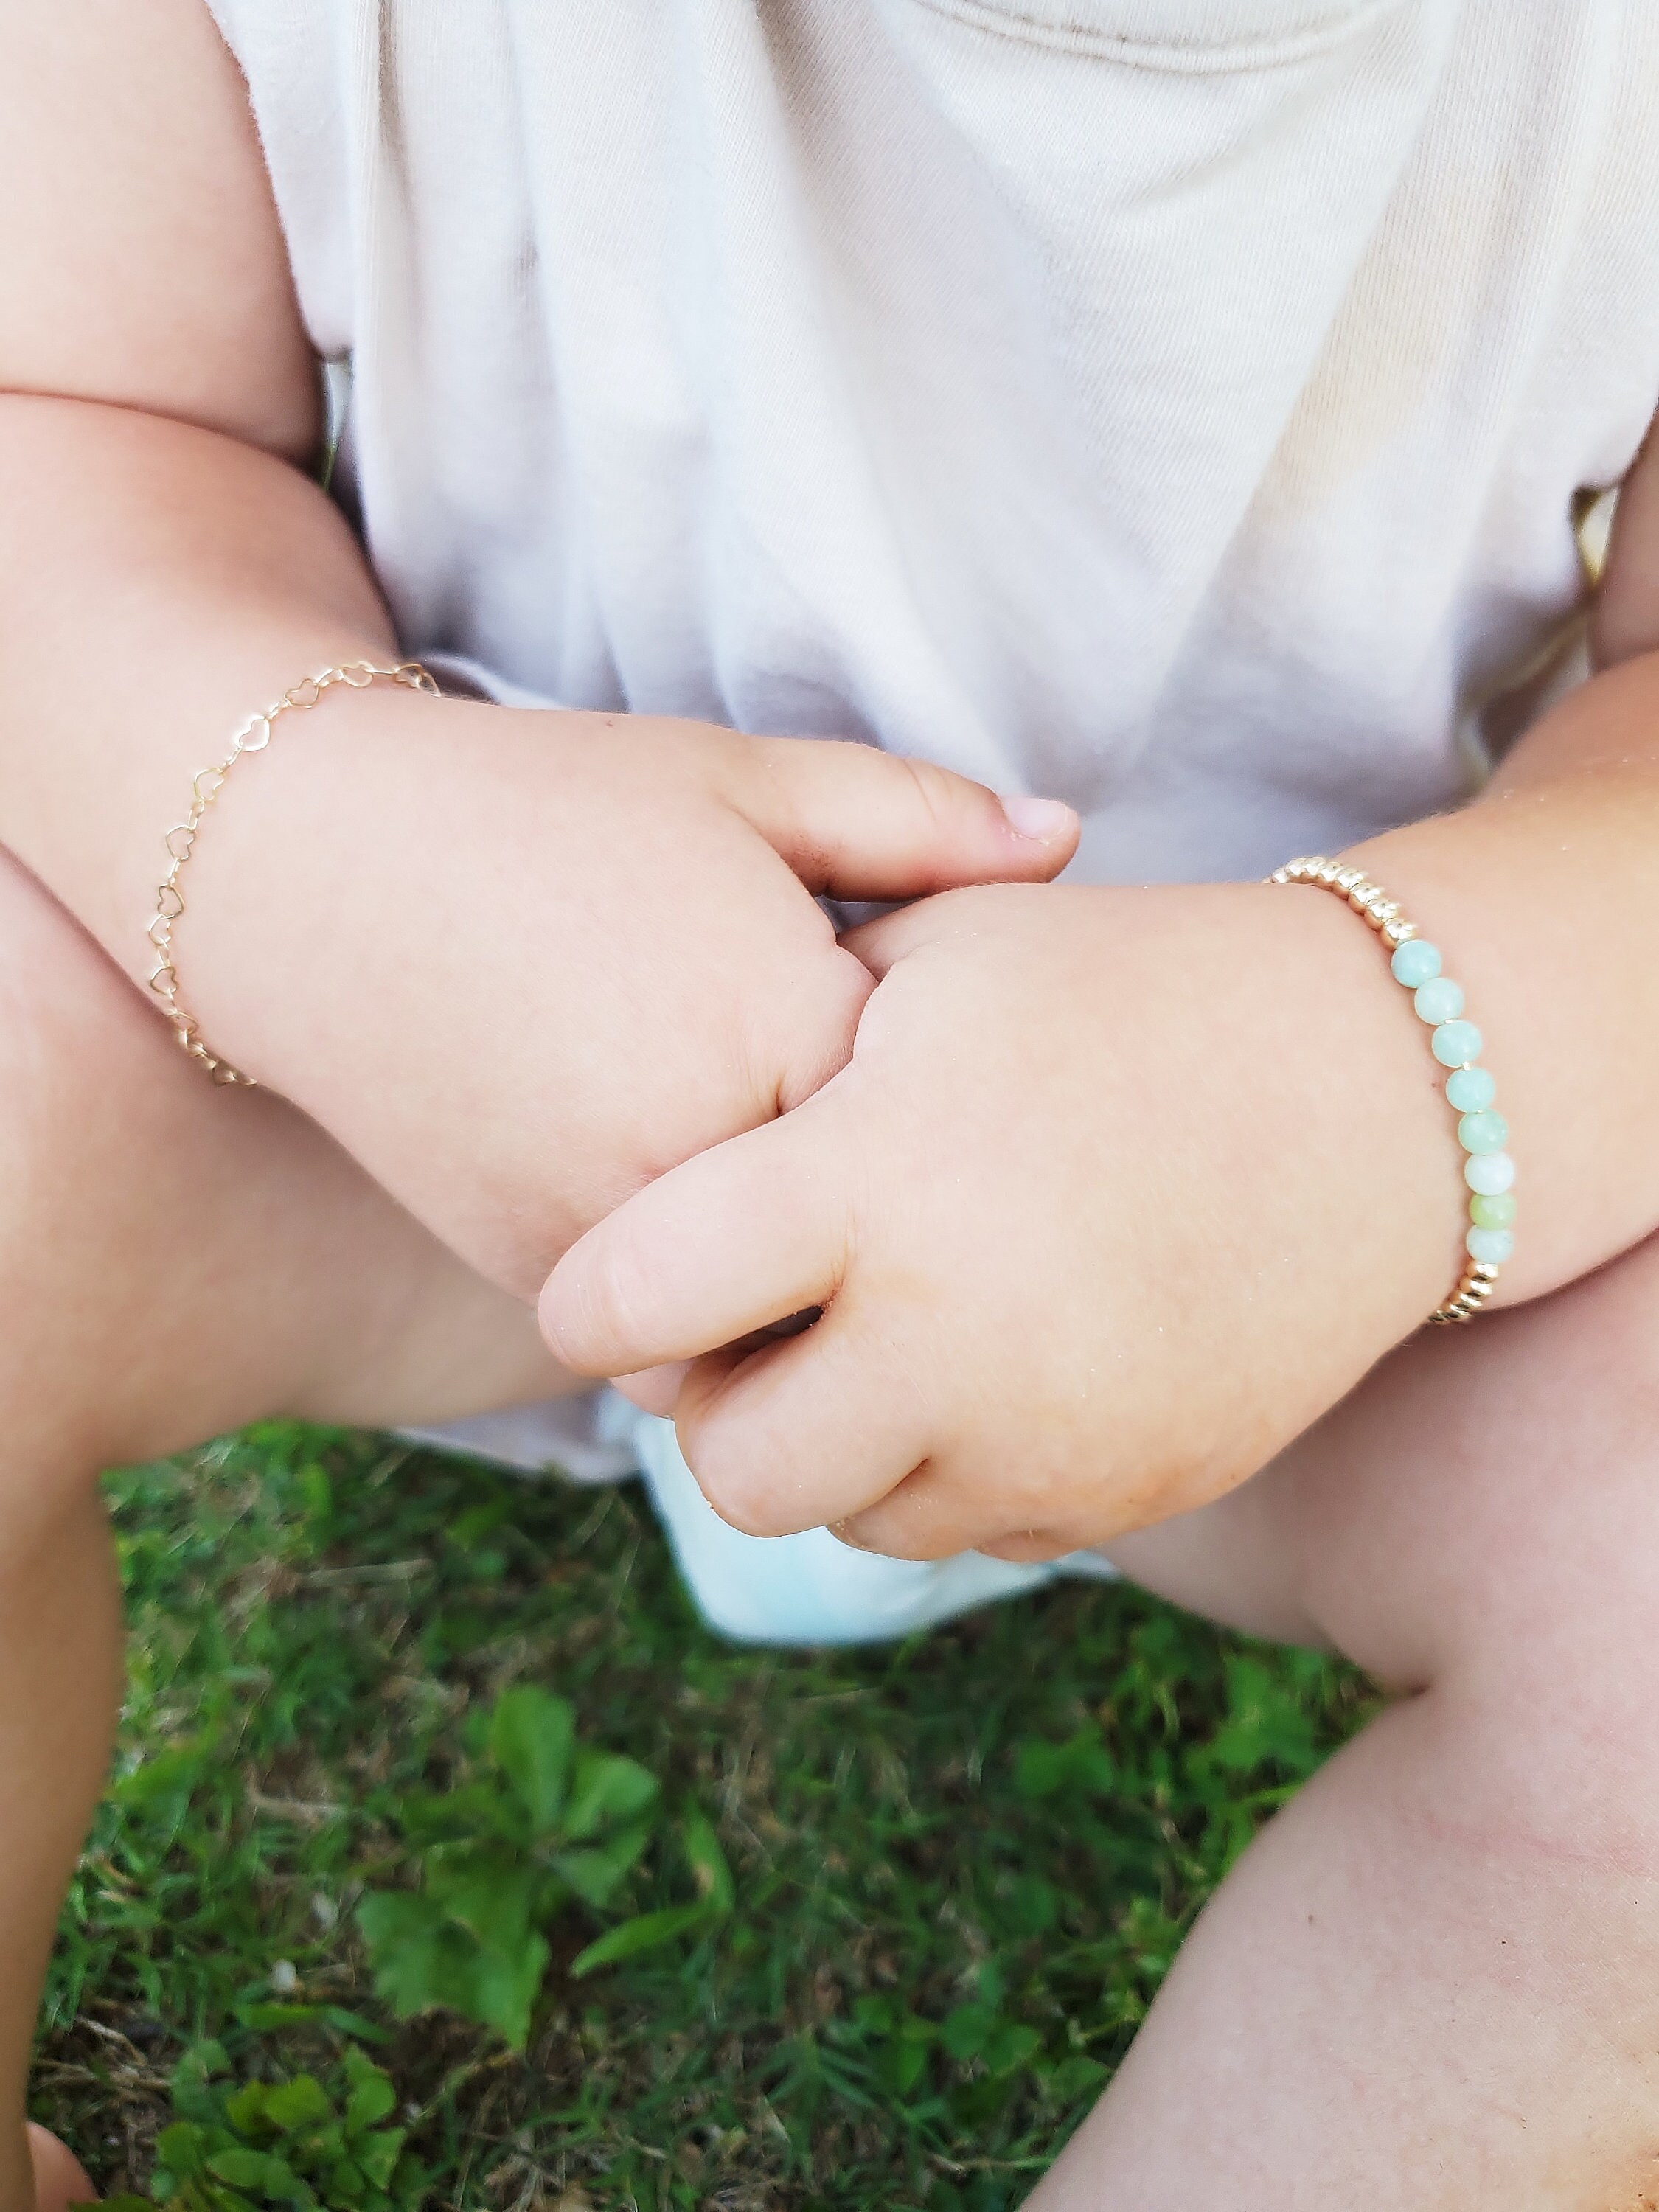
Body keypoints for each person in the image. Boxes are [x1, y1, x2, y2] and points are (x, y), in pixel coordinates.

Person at [5, 0, 1659, 2204]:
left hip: (1341, 1243)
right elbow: (58, 417)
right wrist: (315, 829)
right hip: (426, 1116)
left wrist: (1387, 1066)